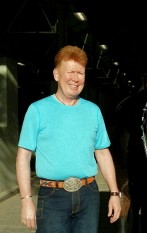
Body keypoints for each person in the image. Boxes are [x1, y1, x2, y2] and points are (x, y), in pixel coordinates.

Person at [16, 45, 121, 233]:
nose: (75, 78)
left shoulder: (93, 111)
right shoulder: (37, 110)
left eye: (80, 73)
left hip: (89, 195)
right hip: (52, 197)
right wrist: (26, 200)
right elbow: (23, 156)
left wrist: (114, 192)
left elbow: (103, 153)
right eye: (70, 72)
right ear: (56, 74)